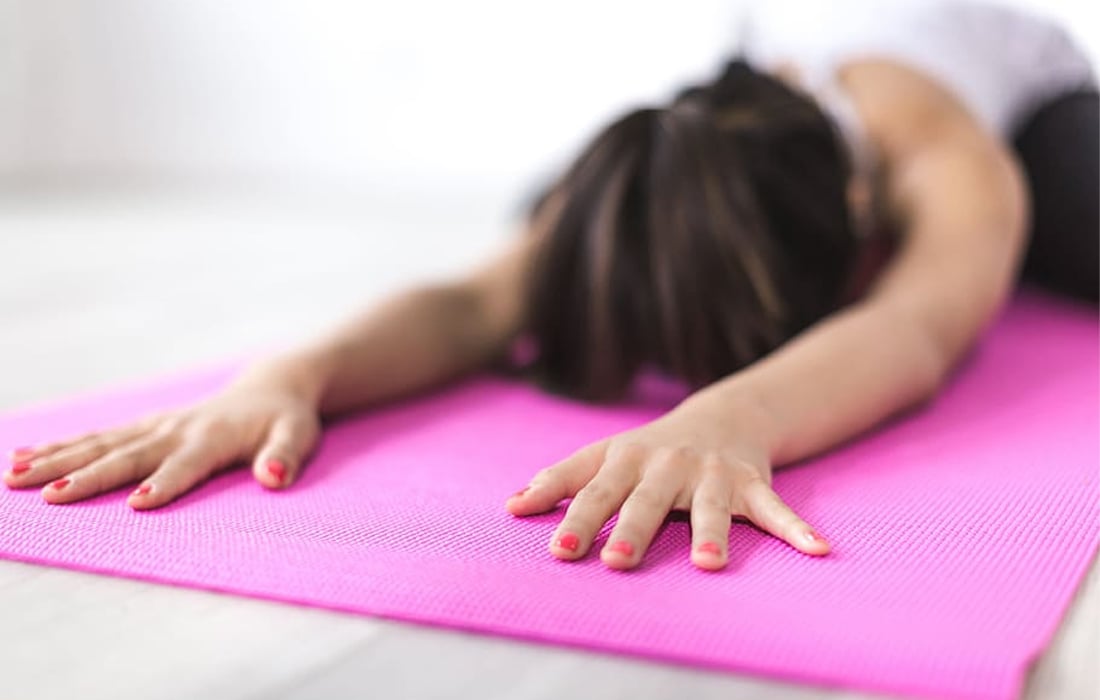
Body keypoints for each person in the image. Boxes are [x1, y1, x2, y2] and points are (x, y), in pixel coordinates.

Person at [5, 0, 1096, 571]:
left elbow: (913, 324)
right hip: (749, 105)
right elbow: (478, 302)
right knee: (576, 214)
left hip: (1037, 108)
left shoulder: (949, 164)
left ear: (860, 235)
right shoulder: (693, 144)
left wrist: (729, 416)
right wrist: (287, 375)